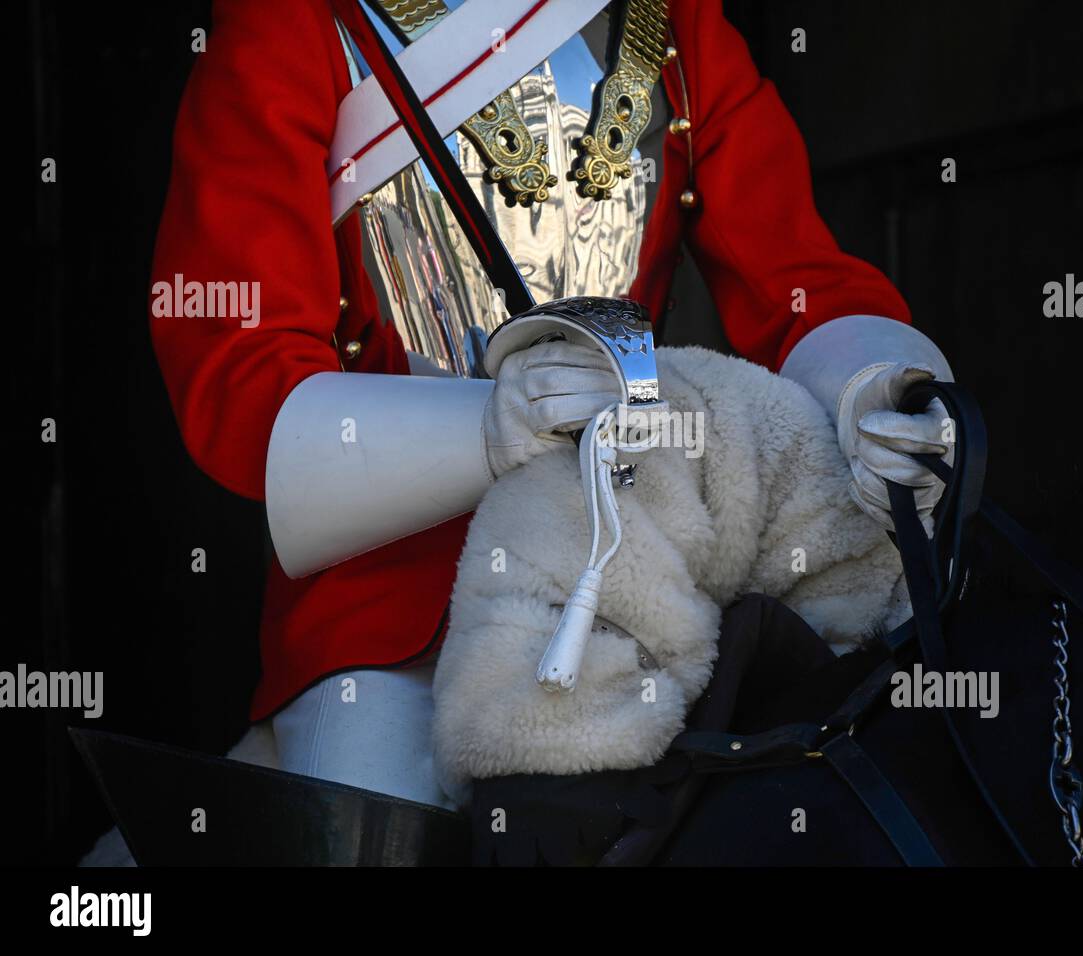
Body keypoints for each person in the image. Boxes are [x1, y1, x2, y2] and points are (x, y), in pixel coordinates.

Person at [148, 0, 954, 808]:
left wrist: (873, 386)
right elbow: (241, 377)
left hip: (640, 569)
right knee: (373, 816)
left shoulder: (675, 19)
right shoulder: (294, 21)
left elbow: (798, 281)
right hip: (395, 613)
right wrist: (486, 432)